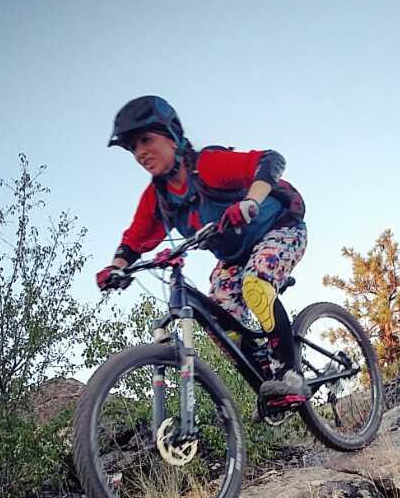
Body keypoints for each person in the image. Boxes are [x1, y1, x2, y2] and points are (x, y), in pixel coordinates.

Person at [96, 95, 309, 401]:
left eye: (146, 140)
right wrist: (116, 268)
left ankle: (289, 375)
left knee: (256, 284)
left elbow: (270, 160)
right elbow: (135, 238)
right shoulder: (158, 197)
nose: (140, 152)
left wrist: (250, 201)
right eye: (133, 148)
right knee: (218, 319)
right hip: (234, 257)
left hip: (280, 229)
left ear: (172, 136)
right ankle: (264, 369)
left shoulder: (207, 165)